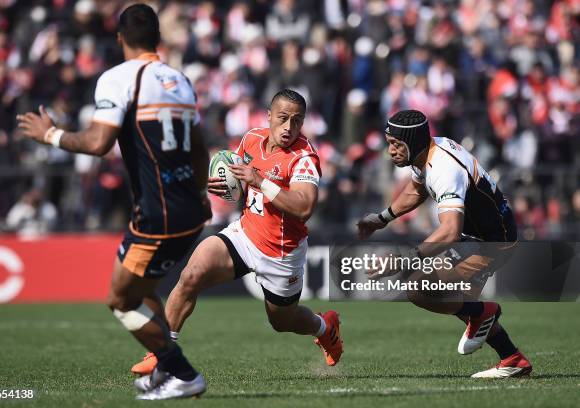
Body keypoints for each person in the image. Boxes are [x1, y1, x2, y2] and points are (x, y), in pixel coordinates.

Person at [17, 4, 209, 399]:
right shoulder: (179, 79)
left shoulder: (119, 78)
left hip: (159, 215)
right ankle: (166, 368)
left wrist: (51, 134)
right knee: (140, 291)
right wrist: (203, 195)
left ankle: (181, 373)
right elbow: (199, 149)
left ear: (119, 38)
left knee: (120, 300)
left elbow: (98, 142)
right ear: (157, 38)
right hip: (188, 209)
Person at [131, 89, 344, 400]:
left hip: (281, 253)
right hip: (244, 233)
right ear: (268, 116)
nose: (288, 127)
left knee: (283, 321)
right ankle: (163, 353)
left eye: (296, 121)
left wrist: (259, 180)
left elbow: (304, 206)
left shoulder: (304, 157)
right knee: (191, 276)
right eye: (282, 118)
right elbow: (237, 181)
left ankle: (325, 328)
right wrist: (221, 184)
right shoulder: (251, 139)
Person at [357, 109, 532, 378]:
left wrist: (402, 259)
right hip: (476, 237)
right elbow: (417, 190)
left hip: (492, 242)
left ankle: (485, 314)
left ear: (412, 141)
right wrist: (383, 218)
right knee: (451, 297)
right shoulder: (425, 152)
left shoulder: (444, 168)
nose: (390, 150)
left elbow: (450, 231)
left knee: (420, 287)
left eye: (395, 144)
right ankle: (511, 357)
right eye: (388, 142)